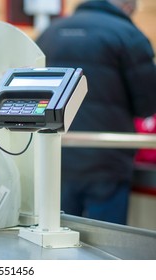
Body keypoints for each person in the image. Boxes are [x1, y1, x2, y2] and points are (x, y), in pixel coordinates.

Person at [36, 0, 156, 224]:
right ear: (128, 7)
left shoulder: (49, 33)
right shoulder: (129, 35)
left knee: (56, 234)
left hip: (56, 153)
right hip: (107, 156)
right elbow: (147, 105)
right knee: (107, 243)